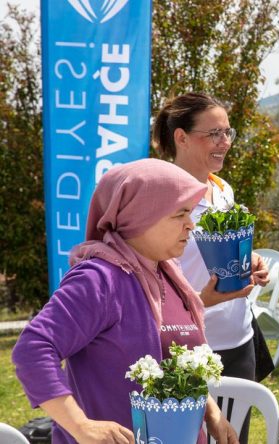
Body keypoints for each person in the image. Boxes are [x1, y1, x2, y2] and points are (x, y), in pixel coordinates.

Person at [12, 159, 237, 444]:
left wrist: (210, 411)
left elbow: (179, 360)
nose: (191, 225)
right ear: (140, 216)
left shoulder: (168, 272)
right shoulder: (98, 279)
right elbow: (33, 349)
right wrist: (81, 426)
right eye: (179, 214)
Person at [152, 92, 272, 444]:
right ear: (181, 137)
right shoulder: (161, 197)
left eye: (228, 133)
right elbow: (155, 283)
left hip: (240, 342)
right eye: (214, 134)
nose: (224, 143)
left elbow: (218, 257)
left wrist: (251, 263)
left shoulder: (222, 190)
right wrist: (202, 300)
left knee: (235, 438)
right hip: (187, 348)